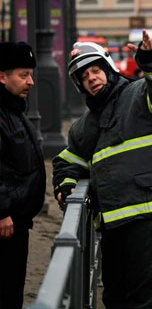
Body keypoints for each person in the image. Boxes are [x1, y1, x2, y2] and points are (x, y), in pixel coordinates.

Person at [52, 29, 152, 309]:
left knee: (150, 302)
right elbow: (67, 161)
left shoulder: (142, 94)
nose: (91, 78)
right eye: (84, 77)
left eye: (95, 70)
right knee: (116, 300)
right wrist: (65, 184)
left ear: (108, 68)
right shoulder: (84, 126)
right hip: (115, 233)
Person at [0, 42, 46, 309]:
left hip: (17, 223)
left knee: (14, 290)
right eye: (23, 75)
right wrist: (2, 211)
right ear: (2, 76)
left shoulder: (14, 110)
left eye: (31, 75)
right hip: (6, 224)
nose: (30, 82)